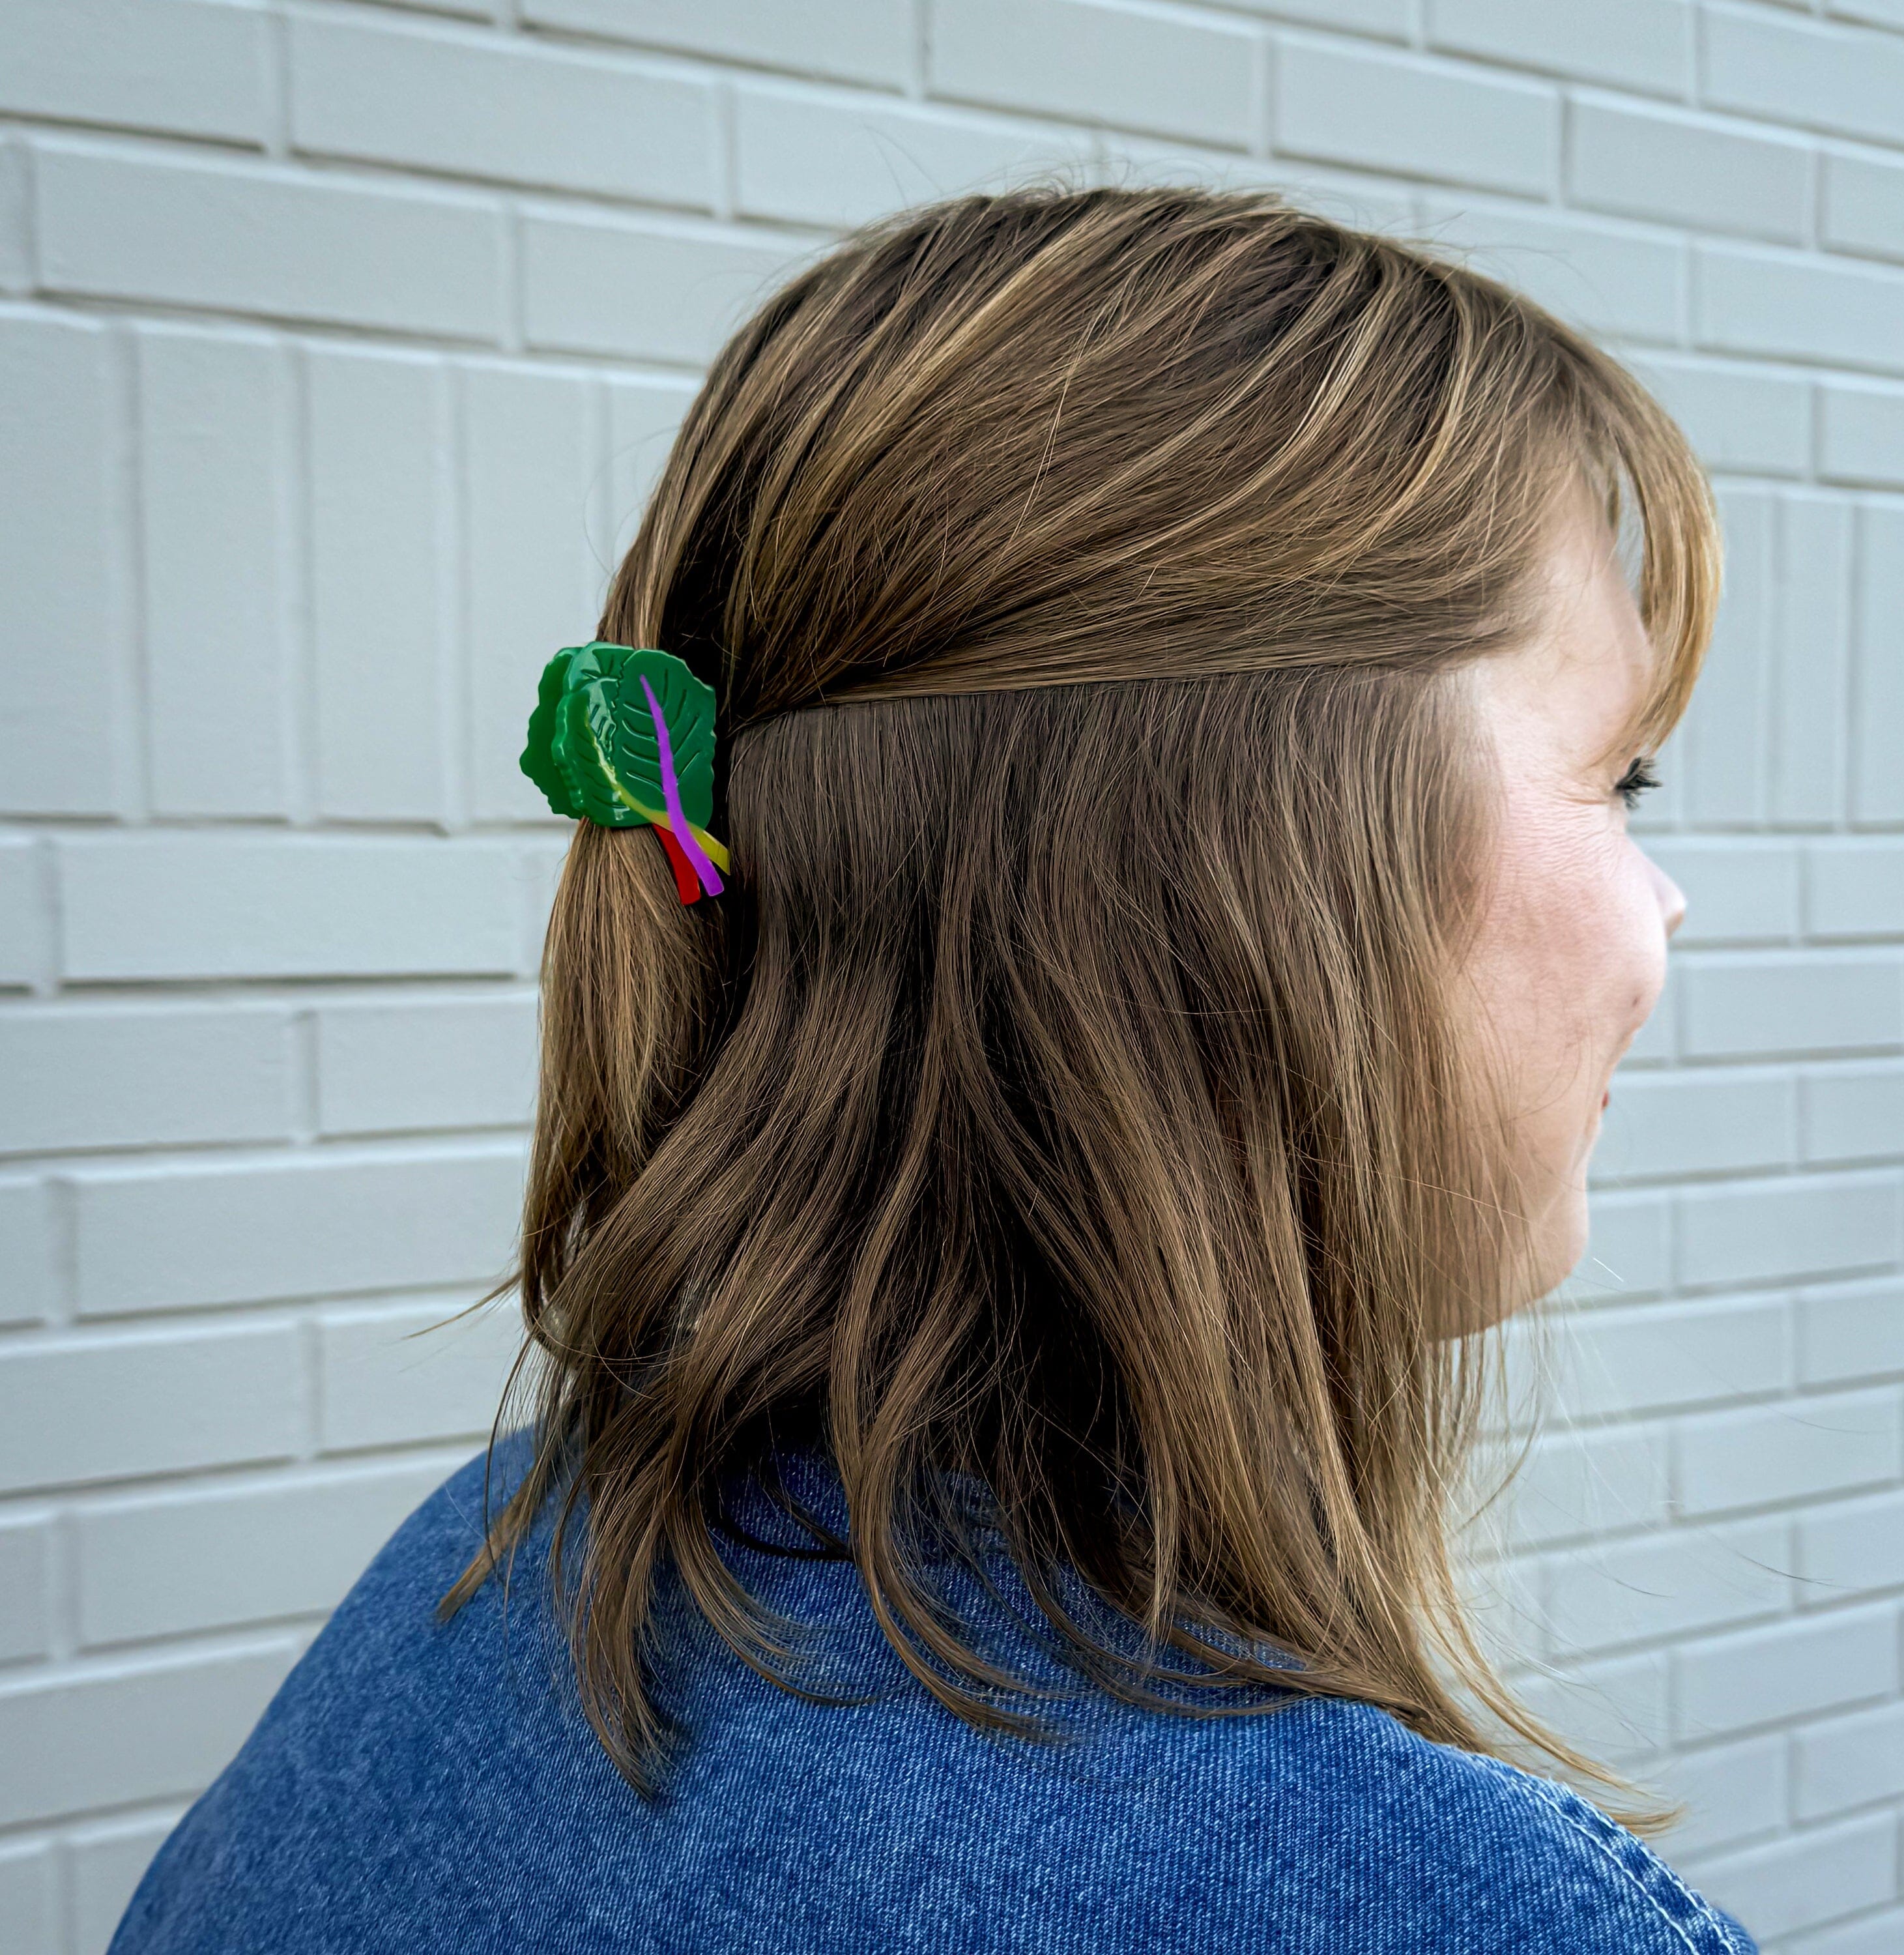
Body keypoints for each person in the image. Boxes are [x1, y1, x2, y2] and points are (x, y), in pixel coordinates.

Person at [109, 186, 1744, 1952]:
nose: (1665, 905)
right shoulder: (1418, 1910)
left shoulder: (494, 1575)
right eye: (1619, 777)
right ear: (1248, 871)